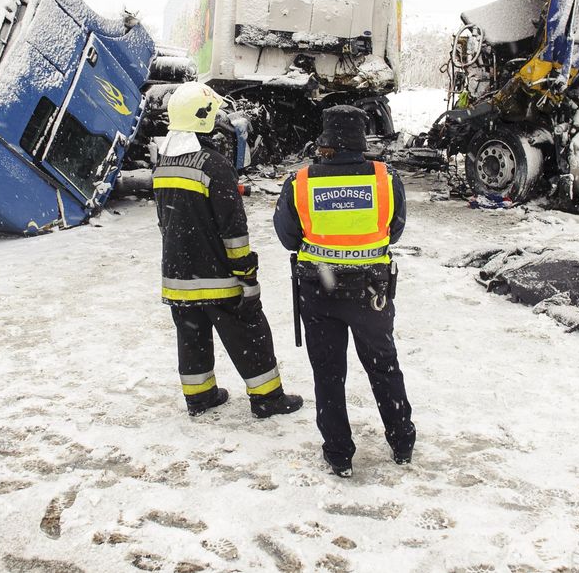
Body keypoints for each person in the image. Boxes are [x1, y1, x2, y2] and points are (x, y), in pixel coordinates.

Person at [273, 105, 414, 477]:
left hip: (319, 292)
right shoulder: (386, 179)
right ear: (361, 139)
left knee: (329, 374)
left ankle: (338, 452)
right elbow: (393, 230)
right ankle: (402, 440)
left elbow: (288, 237)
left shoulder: (301, 182)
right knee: (384, 368)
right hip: (371, 292)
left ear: (325, 140)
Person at [153, 81, 303, 419]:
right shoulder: (214, 165)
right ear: (203, 118)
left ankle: (200, 397)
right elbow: (233, 230)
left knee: (192, 337)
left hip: (177, 276)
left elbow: (165, 221)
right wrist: (246, 273)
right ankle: (268, 398)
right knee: (249, 331)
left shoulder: (163, 166)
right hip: (218, 277)